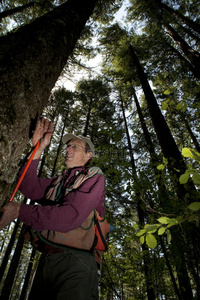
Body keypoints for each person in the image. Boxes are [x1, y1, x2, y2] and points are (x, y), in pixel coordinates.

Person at [0, 117, 105, 300]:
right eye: (67, 146)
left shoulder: (93, 176)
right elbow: (28, 186)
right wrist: (38, 148)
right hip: (46, 261)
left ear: (89, 156)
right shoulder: (59, 181)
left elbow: (70, 216)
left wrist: (19, 210)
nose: (67, 149)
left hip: (76, 264)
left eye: (75, 147)